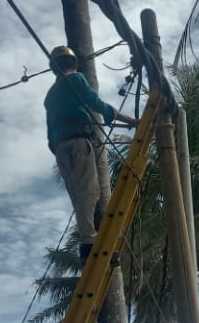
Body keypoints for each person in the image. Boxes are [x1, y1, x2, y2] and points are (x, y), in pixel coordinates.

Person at [44, 45, 138, 261]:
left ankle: (88, 239)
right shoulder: (76, 79)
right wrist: (129, 120)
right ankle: (88, 243)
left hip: (60, 146)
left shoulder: (50, 95)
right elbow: (96, 103)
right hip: (79, 141)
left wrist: (57, 147)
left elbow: (50, 130)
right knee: (90, 192)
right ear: (73, 64)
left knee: (77, 194)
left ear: (54, 68)